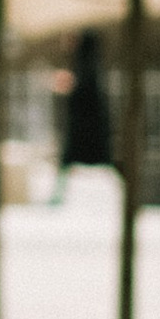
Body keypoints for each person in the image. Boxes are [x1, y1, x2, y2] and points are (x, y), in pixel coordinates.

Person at [54, 27, 117, 200]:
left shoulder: (86, 63)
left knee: (72, 159)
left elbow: (84, 89)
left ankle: (58, 196)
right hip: (87, 124)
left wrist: (69, 85)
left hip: (85, 125)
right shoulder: (88, 61)